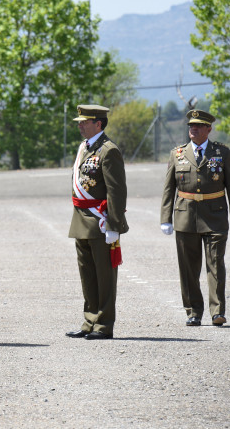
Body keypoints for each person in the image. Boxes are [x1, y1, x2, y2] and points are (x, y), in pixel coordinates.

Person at [161, 109, 228, 327]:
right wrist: (165, 217)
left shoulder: (222, 153)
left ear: (209, 129)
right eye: (191, 125)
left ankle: (217, 311)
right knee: (188, 267)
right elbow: (168, 188)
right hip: (185, 216)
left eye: (199, 125)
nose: (193, 128)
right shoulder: (177, 153)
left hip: (215, 216)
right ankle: (193, 311)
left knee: (215, 263)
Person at [66, 104, 128, 340]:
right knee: (88, 275)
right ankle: (89, 320)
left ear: (98, 124)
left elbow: (116, 191)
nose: (80, 125)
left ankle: (103, 324)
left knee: (104, 276)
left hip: (101, 223)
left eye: (84, 121)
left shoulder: (108, 150)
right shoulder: (84, 147)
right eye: (79, 121)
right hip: (81, 221)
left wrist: (113, 224)